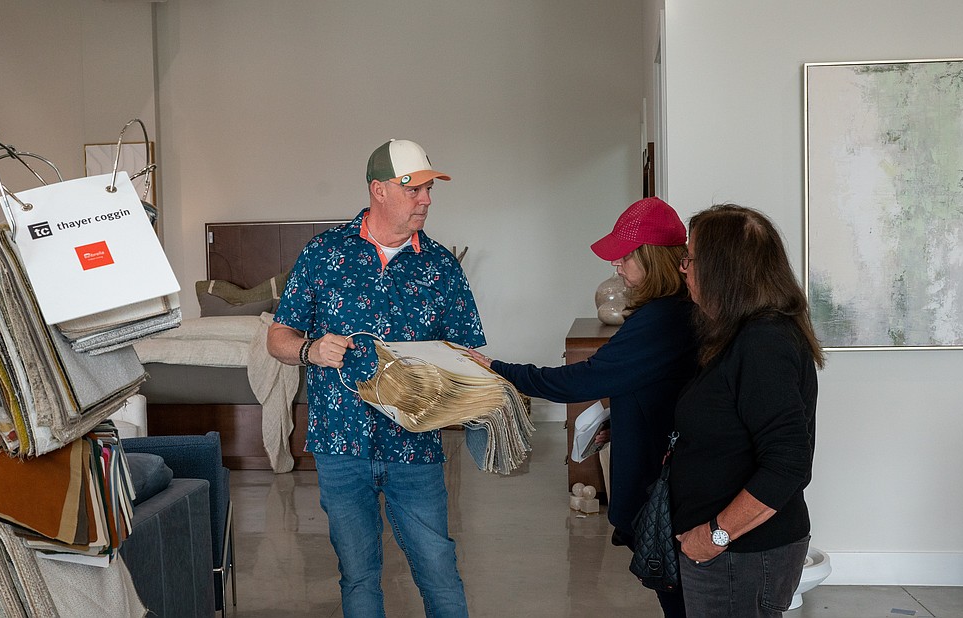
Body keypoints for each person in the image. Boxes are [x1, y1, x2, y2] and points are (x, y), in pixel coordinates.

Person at [267, 139, 483, 618]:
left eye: (429, 189)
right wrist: (309, 349)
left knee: (439, 569)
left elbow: (467, 352)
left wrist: (483, 380)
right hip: (340, 445)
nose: (426, 199)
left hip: (416, 447)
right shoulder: (324, 253)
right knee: (359, 575)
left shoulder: (441, 265)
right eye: (414, 189)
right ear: (378, 190)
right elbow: (277, 336)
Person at [467, 197, 697, 618]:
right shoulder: (675, 312)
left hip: (664, 476)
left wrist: (500, 369)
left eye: (625, 256)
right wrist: (618, 418)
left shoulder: (661, 319)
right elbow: (652, 386)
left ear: (652, 259)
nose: (617, 266)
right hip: (665, 463)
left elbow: (580, 379)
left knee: (679, 596)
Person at [671, 204, 825, 618]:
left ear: (724, 270)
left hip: (744, 555)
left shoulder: (764, 344)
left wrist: (716, 535)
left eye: (690, 258)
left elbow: (789, 464)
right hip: (730, 553)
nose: (684, 269)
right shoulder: (740, 334)